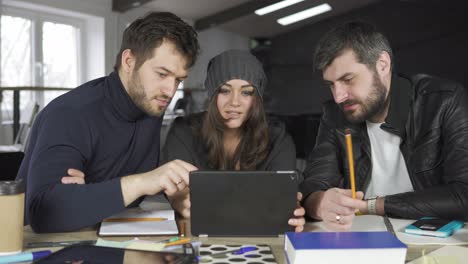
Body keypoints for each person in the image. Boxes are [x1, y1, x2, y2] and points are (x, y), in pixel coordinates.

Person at [16, 12, 200, 233]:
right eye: (162, 74)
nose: (171, 91)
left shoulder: (150, 101)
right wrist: (141, 182)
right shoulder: (68, 114)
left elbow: (124, 195)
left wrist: (176, 196)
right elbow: (43, 213)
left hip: (104, 238)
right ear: (129, 61)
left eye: (178, 79)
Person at [300, 21, 468, 231]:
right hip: (360, 240)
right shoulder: (335, 115)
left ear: (382, 64)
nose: (338, 97)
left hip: (432, 242)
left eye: (348, 79)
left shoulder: (443, 101)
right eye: (331, 84)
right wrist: (318, 203)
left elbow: (464, 194)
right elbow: (314, 182)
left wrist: (372, 205)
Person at [161, 50, 305, 231]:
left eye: (246, 92)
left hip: (259, 238)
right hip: (197, 237)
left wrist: (292, 209)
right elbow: (178, 193)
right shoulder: (184, 132)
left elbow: (282, 199)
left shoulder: (278, 138)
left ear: (257, 98)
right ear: (212, 94)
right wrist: (179, 199)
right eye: (225, 90)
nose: (234, 102)